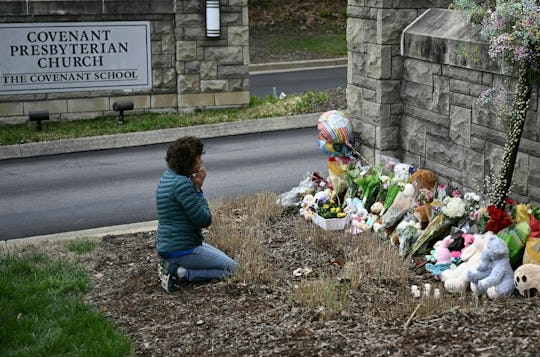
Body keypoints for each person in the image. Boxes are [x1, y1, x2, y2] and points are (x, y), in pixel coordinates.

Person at [155, 136, 239, 292]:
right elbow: (204, 220)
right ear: (188, 161)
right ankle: (179, 273)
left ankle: (171, 266)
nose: (201, 161)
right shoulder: (183, 185)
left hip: (170, 245)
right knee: (234, 269)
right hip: (182, 249)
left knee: (228, 261)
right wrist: (198, 190)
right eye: (198, 158)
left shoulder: (168, 176)